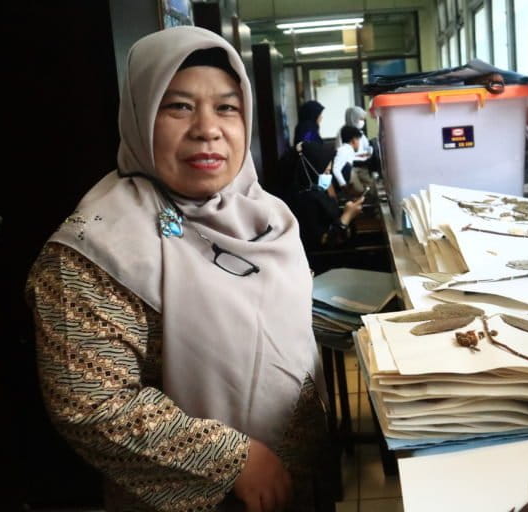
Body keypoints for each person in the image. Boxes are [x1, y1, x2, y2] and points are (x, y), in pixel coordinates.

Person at [25, 26, 334, 512]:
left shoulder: (268, 216)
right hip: (207, 496)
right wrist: (236, 460)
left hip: (300, 480)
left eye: (227, 107)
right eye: (179, 106)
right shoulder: (95, 249)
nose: (207, 128)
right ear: (141, 116)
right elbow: (91, 405)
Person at [284, 141, 364, 252]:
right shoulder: (305, 201)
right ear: (311, 170)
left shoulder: (316, 193)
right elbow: (326, 242)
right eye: (326, 172)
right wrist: (348, 215)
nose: (328, 177)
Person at [331, 125, 363, 194]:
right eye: (358, 139)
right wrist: (344, 185)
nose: (359, 143)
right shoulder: (343, 150)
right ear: (353, 140)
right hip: (343, 187)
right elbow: (336, 169)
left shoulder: (348, 150)